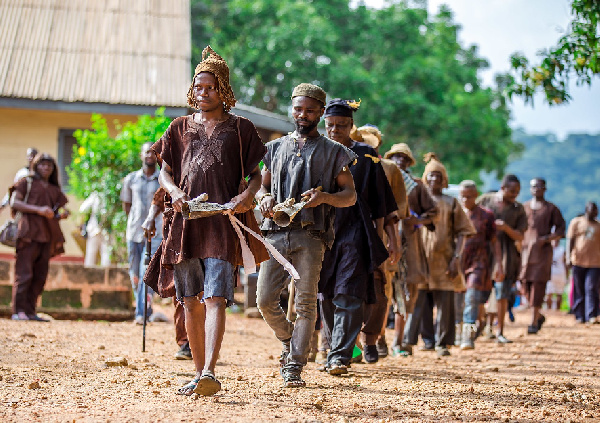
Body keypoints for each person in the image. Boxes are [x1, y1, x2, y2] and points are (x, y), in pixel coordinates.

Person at [155, 46, 269, 396]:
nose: (202, 93)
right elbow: (165, 173)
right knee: (189, 299)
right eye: (198, 86)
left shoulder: (241, 129)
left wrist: (244, 198)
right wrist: (174, 192)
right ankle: (196, 373)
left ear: (224, 91)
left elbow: (256, 176)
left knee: (216, 297)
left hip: (221, 223)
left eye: (210, 87)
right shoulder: (178, 128)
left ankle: (209, 372)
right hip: (187, 223)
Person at [256, 84, 357, 388]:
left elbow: (350, 195)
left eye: (310, 110)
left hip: (311, 236)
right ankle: (291, 341)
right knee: (264, 299)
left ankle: (294, 366)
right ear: (293, 109)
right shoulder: (274, 148)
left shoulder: (334, 152)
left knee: (305, 304)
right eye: (298, 109)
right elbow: (262, 186)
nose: (303, 115)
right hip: (275, 232)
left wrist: (325, 198)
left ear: (321, 113)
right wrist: (264, 198)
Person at [318, 100, 397, 374]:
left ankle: (340, 356)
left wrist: (387, 239)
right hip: (321, 230)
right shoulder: (317, 150)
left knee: (349, 292)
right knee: (325, 293)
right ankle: (331, 347)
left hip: (356, 231)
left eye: (341, 126)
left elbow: (381, 202)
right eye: (331, 126)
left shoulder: (367, 155)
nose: (335, 130)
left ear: (352, 126)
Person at [402, 154, 475, 356]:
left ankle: (443, 343)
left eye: (438, 176)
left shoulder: (451, 203)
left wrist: (457, 258)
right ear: (425, 178)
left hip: (444, 259)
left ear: (444, 180)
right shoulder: (416, 199)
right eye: (431, 176)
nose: (434, 180)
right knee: (418, 302)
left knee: (445, 304)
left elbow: (463, 232)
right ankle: (411, 342)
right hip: (420, 258)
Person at [353, 124, 407, 359]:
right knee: (345, 291)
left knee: (379, 290)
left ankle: (374, 337)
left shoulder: (388, 169)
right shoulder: (341, 161)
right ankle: (348, 346)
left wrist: (393, 239)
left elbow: (394, 208)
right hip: (345, 238)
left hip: (377, 240)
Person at [383, 143, 438, 356]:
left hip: (408, 247)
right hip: (383, 244)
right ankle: (377, 342)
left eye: (405, 159)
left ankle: (398, 342)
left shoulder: (416, 185)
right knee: (381, 292)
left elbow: (434, 212)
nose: (400, 162)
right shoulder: (382, 177)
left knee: (405, 295)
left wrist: (417, 220)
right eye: (397, 157)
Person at [10, 153, 69, 321]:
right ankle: (18, 311)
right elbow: (14, 202)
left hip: (47, 236)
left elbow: (58, 210)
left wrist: (62, 214)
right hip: (28, 234)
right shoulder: (26, 183)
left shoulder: (53, 189)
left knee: (40, 276)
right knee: (24, 273)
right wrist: (38, 210)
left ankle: (30, 311)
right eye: (42, 165)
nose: (46, 168)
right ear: (36, 166)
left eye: (49, 165)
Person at [477, 174, 528, 343]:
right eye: (512, 191)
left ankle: (500, 331)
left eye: (518, 192)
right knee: (479, 291)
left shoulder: (518, 209)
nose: (515, 194)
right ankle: (480, 325)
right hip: (484, 251)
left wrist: (505, 228)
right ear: (503, 187)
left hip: (506, 255)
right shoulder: (485, 201)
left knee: (502, 292)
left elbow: (520, 236)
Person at [142, 186, 190, 360]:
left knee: (205, 294)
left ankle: (203, 342)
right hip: (175, 241)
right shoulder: (170, 175)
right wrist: (150, 218)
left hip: (203, 238)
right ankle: (185, 343)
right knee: (179, 293)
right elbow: (158, 199)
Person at [458, 180, 504, 349]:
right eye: (463, 197)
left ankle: (467, 337)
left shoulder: (486, 215)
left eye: (469, 197)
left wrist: (499, 264)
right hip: (457, 262)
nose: (465, 200)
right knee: (458, 299)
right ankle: (457, 332)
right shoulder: (456, 214)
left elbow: (494, 241)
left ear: (476, 196)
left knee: (471, 296)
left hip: (479, 262)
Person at [121, 142, 163, 325]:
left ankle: (141, 314)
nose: (150, 156)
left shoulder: (163, 179)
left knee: (146, 272)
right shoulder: (131, 179)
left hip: (155, 235)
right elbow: (126, 205)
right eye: (147, 152)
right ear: (141, 155)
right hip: (134, 233)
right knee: (135, 275)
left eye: (153, 153)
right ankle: (146, 308)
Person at [520, 178, 565, 334]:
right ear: (530, 188)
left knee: (538, 286)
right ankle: (539, 315)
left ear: (545, 189)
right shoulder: (524, 207)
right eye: (534, 186)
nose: (536, 189)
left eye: (539, 186)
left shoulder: (551, 209)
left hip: (542, 255)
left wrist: (546, 239)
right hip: (525, 254)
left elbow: (561, 230)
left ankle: (532, 322)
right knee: (524, 284)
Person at [566, 202, 600, 324]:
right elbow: (570, 239)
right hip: (578, 260)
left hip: (595, 263)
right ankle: (579, 316)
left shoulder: (598, 226)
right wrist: (568, 257)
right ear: (587, 210)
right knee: (578, 289)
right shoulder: (577, 222)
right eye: (593, 210)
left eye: (596, 210)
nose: (595, 212)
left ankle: (591, 315)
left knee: (591, 288)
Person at [79, 191, 111, 267]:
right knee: (104, 254)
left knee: (92, 254)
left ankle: (90, 275)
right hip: (99, 230)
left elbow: (82, 209)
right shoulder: (108, 195)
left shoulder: (96, 195)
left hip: (98, 229)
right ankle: (103, 276)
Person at [546, 239, 567, 310]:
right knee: (551, 293)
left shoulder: (561, 250)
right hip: (552, 274)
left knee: (557, 293)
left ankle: (556, 311)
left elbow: (565, 263)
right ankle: (551, 310)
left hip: (559, 274)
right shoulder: (551, 250)